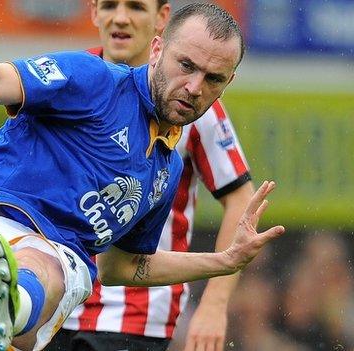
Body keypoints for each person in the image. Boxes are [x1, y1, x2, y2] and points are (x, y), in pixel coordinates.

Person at [0, 3, 285, 351]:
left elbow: (122, 267)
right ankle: (12, 301)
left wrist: (224, 261)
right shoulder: (95, 79)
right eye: (186, 66)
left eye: (213, 78)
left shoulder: (167, 168)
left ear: (228, 83)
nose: (195, 87)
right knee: (60, 264)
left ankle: (8, 309)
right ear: (156, 49)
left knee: (66, 271)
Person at [47, 1, 254, 350]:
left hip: (134, 312)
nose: (122, 17)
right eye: (111, 5)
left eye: (137, 7)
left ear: (161, 19)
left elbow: (240, 198)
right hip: (54, 299)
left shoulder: (191, 99)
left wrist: (215, 305)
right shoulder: (69, 79)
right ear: (94, 10)